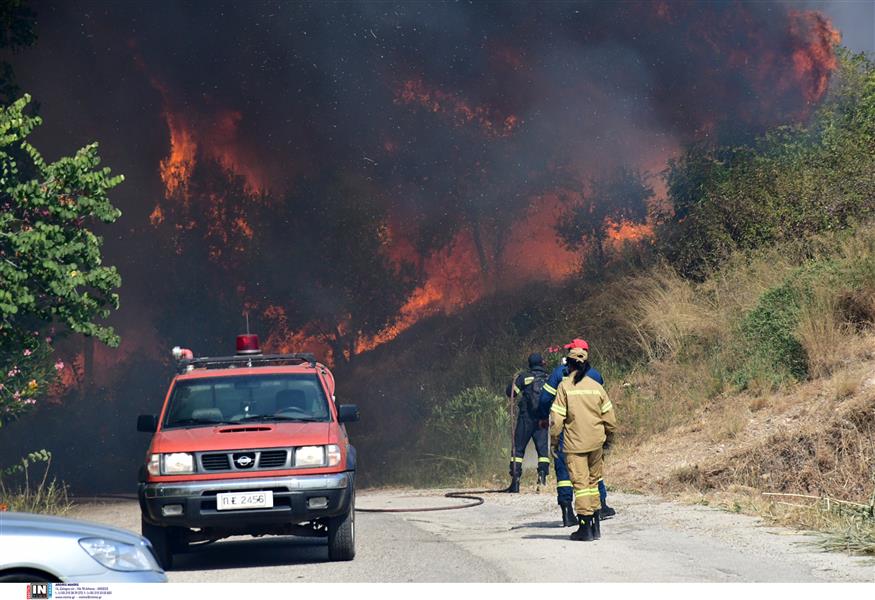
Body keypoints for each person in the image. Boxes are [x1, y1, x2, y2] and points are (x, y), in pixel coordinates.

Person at [537, 338, 616, 526]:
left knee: (566, 472)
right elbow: (607, 412)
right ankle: (599, 509)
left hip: (569, 432)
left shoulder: (559, 376)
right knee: (593, 474)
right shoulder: (596, 377)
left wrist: (544, 422)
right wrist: (607, 437)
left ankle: (568, 512)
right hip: (594, 432)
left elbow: (545, 401)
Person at [504, 353, 551, 493]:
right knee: (542, 451)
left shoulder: (524, 377)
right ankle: (542, 480)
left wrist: (515, 381)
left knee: (518, 450)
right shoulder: (548, 378)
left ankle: (516, 481)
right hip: (543, 419)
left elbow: (510, 393)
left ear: (530, 364)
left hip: (526, 418)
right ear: (542, 363)